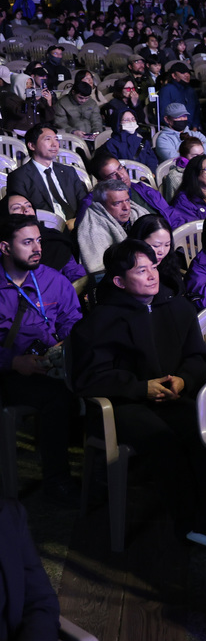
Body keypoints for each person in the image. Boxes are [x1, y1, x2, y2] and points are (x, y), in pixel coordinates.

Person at [67, 240, 206, 542]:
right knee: (163, 440)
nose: (152, 275)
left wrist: (184, 380)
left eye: (153, 266)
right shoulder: (100, 320)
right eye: (141, 270)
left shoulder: (177, 306)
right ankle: (187, 523)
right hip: (122, 405)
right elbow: (89, 377)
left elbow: (196, 357)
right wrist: (140, 388)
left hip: (173, 396)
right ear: (119, 281)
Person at [0, 215, 81, 504]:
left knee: (95, 378)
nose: (37, 248)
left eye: (38, 241)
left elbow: (73, 319)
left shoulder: (52, 279)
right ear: (5, 248)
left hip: (50, 361)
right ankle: (56, 481)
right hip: (9, 371)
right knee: (56, 397)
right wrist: (13, 362)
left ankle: (101, 465)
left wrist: (64, 342)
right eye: (27, 242)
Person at [8, 126, 88, 222]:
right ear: (32, 146)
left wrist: (78, 222)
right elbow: (22, 214)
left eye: (56, 139)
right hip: (46, 228)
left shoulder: (68, 171)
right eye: (48, 139)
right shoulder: (19, 176)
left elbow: (84, 201)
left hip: (77, 223)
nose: (55, 144)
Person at [77, 179, 152, 276]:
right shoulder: (91, 229)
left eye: (127, 200)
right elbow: (98, 271)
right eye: (117, 203)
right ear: (101, 206)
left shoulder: (138, 213)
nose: (126, 207)